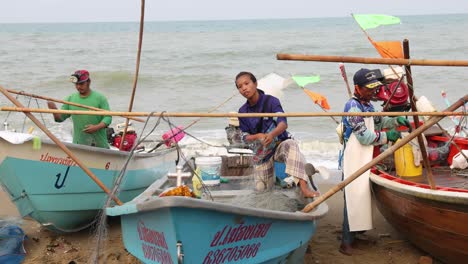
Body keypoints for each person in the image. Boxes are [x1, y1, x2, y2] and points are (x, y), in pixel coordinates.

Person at [340, 68, 411, 256]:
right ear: (357, 88)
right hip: (352, 157)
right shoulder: (353, 107)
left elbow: (378, 122)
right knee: (353, 199)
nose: (373, 92)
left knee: (363, 196)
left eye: (374, 88)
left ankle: (357, 234)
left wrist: (395, 121)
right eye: (369, 89)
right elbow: (364, 137)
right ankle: (345, 242)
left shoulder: (368, 106)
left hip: (366, 156)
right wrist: (389, 137)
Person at [235, 71, 319, 198]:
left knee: (291, 144)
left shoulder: (271, 101)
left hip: (279, 145)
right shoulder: (242, 111)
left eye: (246, 83)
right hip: (262, 153)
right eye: (240, 87)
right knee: (262, 191)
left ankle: (304, 188)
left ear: (255, 83)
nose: (244, 88)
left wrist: (272, 134)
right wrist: (258, 136)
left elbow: (283, 123)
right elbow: (244, 137)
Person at [47, 69, 112, 148]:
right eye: (76, 84)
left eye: (81, 84)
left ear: (88, 82)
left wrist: (96, 127)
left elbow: (108, 117)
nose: (78, 87)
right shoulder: (70, 99)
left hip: (99, 144)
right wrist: (54, 110)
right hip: (79, 145)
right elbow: (59, 119)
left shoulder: (100, 98)